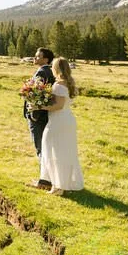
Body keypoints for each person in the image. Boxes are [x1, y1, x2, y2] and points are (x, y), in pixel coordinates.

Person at [33, 56, 84, 195]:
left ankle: (58, 186)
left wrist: (40, 106)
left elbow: (58, 106)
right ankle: (60, 184)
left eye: (53, 67)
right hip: (66, 120)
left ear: (56, 68)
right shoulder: (68, 83)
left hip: (58, 121)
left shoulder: (60, 85)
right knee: (64, 151)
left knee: (53, 150)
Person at [24, 47, 55, 189]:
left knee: (40, 147)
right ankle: (49, 178)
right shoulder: (50, 71)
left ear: (46, 59)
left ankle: (45, 181)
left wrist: (33, 113)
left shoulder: (42, 72)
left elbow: (37, 93)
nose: (34, 58)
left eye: (38, 56)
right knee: (45, 146)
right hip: (46, 115)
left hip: (38, 115)